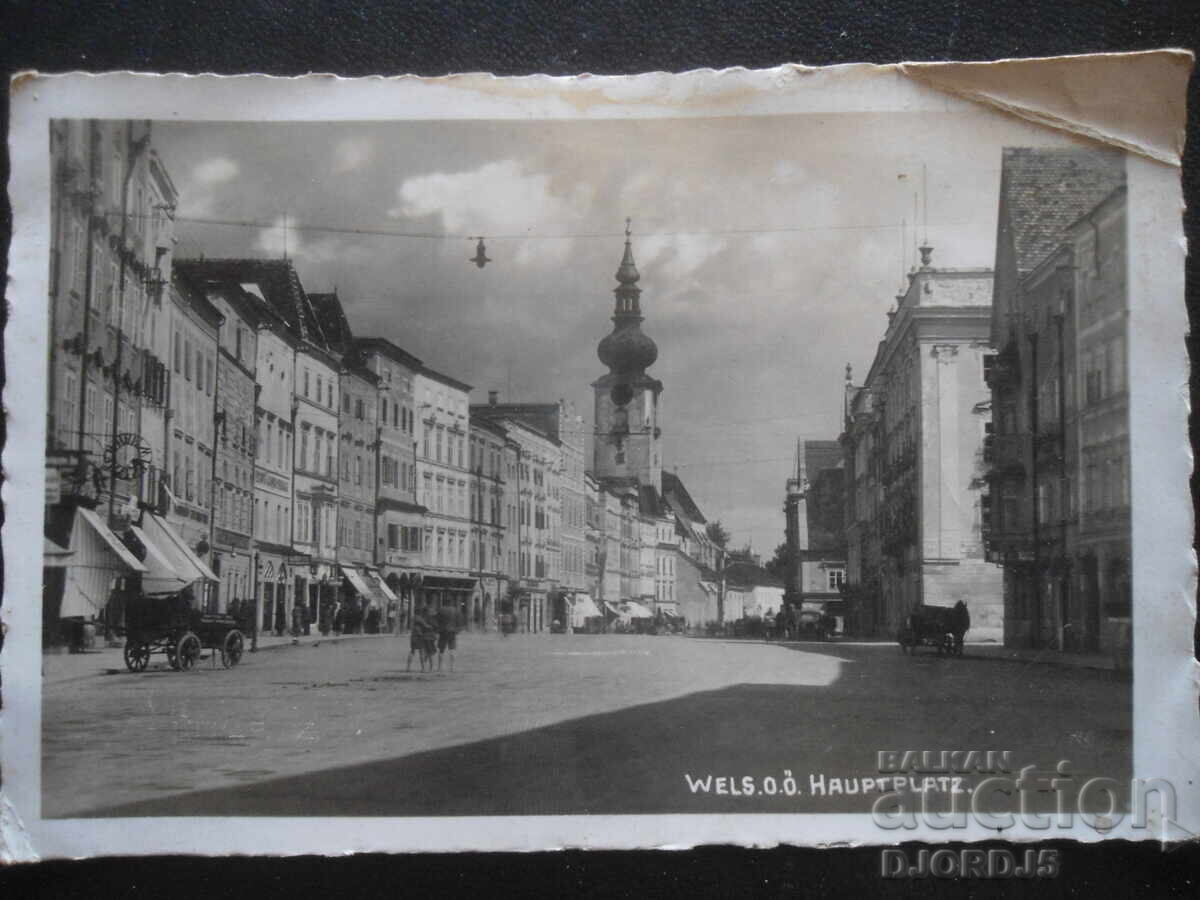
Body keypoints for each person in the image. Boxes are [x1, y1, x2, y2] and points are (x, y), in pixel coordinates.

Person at [434, 600, 462, 672]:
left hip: (443, 631)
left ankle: (439, 667)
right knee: (452, 649)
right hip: (452, 632)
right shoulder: (455, 610)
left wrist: (437, 629)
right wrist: (457, 630)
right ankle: (452, 667)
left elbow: (436, 620)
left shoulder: (441, 610)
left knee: (441, 650)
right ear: (451, 603)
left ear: (445, 603)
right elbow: (459, 621)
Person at [407, 602, 435, 672]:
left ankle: (408, 667)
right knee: (421, 652)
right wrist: (432, 627)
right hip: (419, 636)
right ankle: (423, 668)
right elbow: (426, 626)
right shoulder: (419, 618)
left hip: (413, 636)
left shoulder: (413, 618)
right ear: (420, 612)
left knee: (412, 652)